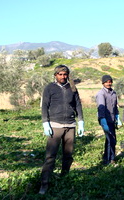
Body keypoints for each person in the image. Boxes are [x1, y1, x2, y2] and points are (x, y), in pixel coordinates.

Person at [39, 65, 84, 195]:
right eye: (60, 74)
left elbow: (78, 104)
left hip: (70, 126)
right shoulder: (49, 88)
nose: (63, 77)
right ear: (55, 75)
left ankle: (64, 178)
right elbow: (45, 106)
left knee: (68, 155)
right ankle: (44, 183)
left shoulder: (72, 88)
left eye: (65, 74)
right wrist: (45, 123)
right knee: (50, 156)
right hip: (55, 125)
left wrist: (80, 121)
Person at [96, 75, 122, 165]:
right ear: (103, 83)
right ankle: (108, 160)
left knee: (112, 139)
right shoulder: (101, 94)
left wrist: (117, 117)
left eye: (110, 81)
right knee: (110, 139)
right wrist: (103, 120)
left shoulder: (113, 93)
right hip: (105, 120)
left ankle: (110, 158)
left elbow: (115, 106)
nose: (108, 83)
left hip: (112, 119)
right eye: (106, 82)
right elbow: (101, 108)